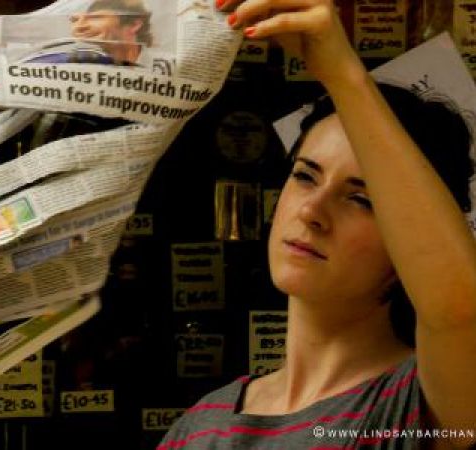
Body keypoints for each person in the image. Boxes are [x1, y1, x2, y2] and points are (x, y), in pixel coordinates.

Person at [158, 0, 476, 449]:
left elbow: (460, 308)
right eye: (305, 176)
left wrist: (341, 73)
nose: (312, 212)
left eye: (361, 199)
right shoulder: (199, 428)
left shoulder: (423, 405)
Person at [24, 0, 152, 65]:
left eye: (95, 17)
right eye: (74, 20)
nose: (78, 27)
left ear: (134, 24)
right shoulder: (63, 65)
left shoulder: (165, 69)